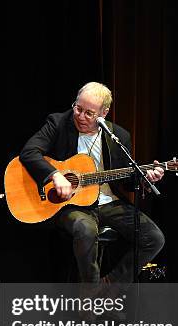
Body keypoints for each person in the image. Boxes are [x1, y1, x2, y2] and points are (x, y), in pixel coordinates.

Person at [19, 82, 165, 287]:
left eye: (89, 113)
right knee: (85, 229)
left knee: (154, 238)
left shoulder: (119, 136)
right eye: (78, 108)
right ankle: (91, 291)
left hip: (109, 203)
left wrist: (145, 179)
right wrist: (55, 175)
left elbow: (127, 181)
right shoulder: (59, 123)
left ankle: (109, 286)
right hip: (72, 205)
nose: (80, 116)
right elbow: (29, 153)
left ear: (103, 113)